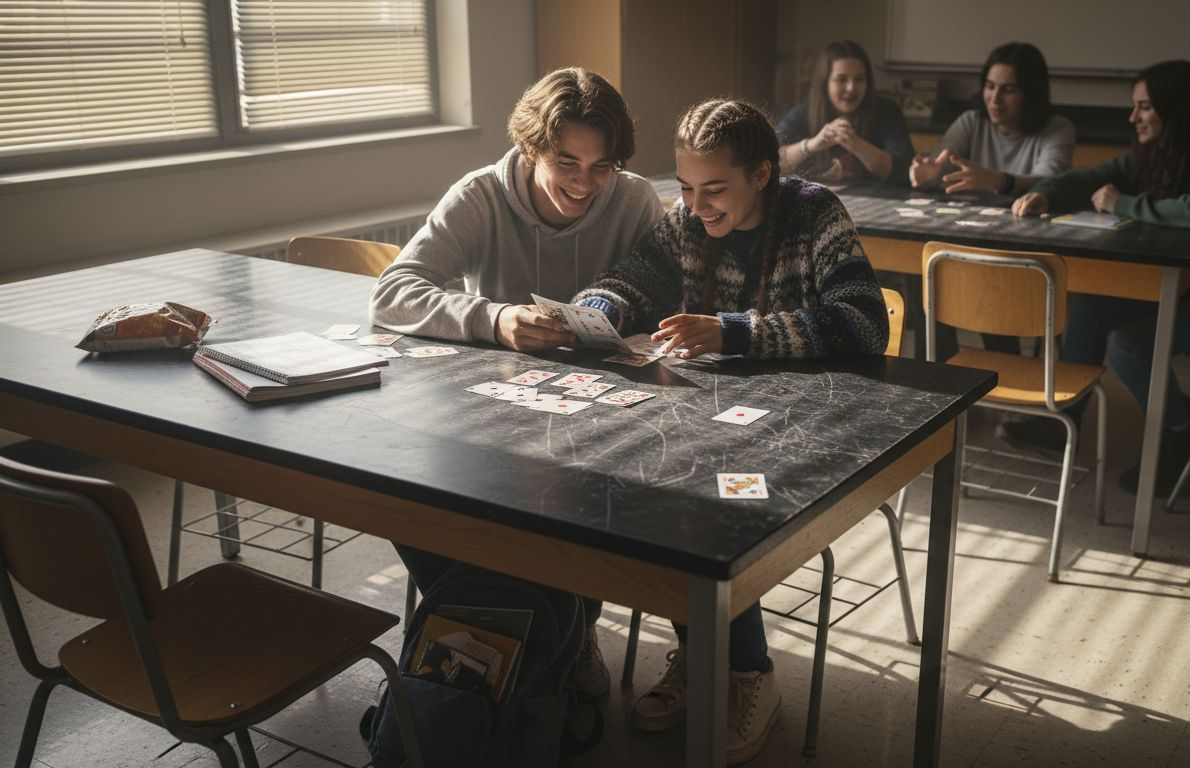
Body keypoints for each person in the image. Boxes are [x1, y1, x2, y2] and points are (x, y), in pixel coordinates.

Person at [573, 98, 888, 764]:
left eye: (714, 189)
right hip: (718, 420)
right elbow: (634, 276)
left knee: (697, 509)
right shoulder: (684, 221)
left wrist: (735, 330)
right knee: (646, 485)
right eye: (686, 188)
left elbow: (863, 321)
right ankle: (700, 656)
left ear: (764, 174)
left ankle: (749, 675)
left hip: (814, 425)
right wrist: (596, 310)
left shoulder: (815, 213)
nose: (697, 204)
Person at [369, 67, 664, 698]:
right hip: (495, 409)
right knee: (408, 496)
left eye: (602, 165)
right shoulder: (480, 196)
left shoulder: (636, 200)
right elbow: (393, 293)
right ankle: (492, 623)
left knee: (594, 497)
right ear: (530, 149)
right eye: (567, 162)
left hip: (607, 412)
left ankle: (564, 624)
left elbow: (670, 294)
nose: (585, 184)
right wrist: (494, 318)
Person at [1002, 59, 1190, 495]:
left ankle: (1179, 436)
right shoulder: (1161, 148)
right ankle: (1065, 421)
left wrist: (1122, 204)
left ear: (1173, 109)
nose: (1132, 117)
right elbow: (1097, 177)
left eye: (1143, 107)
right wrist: (1047, 192)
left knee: (1132, 346)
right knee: (1090, 310)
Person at [908, 41, 1076, 359]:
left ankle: (1004, 376)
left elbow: (1054, 180)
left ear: (1031, 93)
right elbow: (938, 160)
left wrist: (999, 181)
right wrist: (926, 172)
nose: (994, 99)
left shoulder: (1057, 129)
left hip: (1026, 260)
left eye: (1008, 90)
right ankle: (936, 377)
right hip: (970, 246)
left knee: (992, 300)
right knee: (924, 272)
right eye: (989, 86)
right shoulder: (972, 121)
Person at [776, 40, 915, 186]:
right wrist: (811, 145)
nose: (851, 88)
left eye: (859, 79)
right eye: (841, 79)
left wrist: (855, 144)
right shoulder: (804, 113)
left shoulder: (887, 111)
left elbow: (904, 170)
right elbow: (768, 160)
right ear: (825, 82)